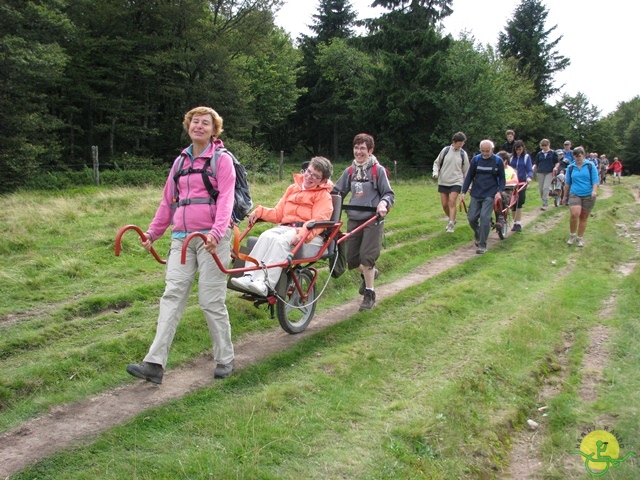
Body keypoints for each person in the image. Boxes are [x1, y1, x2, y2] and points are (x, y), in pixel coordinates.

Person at [126, 106, 236, 384]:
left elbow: (226, 200)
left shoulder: (221, 160)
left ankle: (225, 358)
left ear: (214, 130)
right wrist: (153, 232)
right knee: (172, 296)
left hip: (213, 240)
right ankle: (154, 364)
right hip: (181, 240)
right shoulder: (180, 162)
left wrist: (216, 231)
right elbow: (168, 202)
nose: (199, 126)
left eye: (205, 123)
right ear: (188, 126)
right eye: (195, 122)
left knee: (210, 301)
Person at [230, 156, 334, 296]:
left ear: (323, 180)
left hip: (308, 233)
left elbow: (319, 220)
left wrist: (301, 234)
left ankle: (265, 283)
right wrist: (260, 211)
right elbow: (278, 214)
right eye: (308, 172)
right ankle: (249, 276)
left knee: (281, 241)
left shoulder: (323, 196)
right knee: (266, 236)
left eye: (315, 176)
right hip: (287, 227)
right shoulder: (293, 188)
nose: (309, 177)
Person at [332, 133, 394, 311]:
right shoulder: (350, 171)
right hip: (354, 219)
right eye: (356, 148)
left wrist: (383, 203)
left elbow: (389, 194)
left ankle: (369, 293)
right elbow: (337, 192)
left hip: (372, 220)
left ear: (370, 150)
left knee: (367, 258)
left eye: (362, 148)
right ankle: (372, 274)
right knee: (351, 260)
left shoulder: (377, 170)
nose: (358, 152)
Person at [460, 140, 505, 254]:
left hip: (490, 194)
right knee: (471, 218)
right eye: (483, 151)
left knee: (485, 218)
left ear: (492, 150)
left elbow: (502, 180)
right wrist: (464, 192)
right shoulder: (476, 160)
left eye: (487, 151)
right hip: (476, 193)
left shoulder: (498, 161)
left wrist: (499, 192)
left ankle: (482, 245)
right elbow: (469, 176)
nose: (485, 153)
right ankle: (479, 233)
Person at [432, 131, 470, 232]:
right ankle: (452, 219)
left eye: (462, 143)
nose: (461, 145)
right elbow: (437, 162)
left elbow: (467, 170)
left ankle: (451, 224)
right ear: (454, 142)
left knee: (452, 201)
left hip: (457, 181)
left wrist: (469, 185)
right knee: (445, 205)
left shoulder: (463, 154)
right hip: (444, 181)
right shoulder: (445, 150)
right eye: (459, 143)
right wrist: (435, 173)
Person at [562, 146, 599, 247]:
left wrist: (594, 191)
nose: (578, 158)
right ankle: (572, 235)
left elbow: (595, 180)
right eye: (575, 156)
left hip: (588, 194)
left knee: (583, 217)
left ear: (583, 155)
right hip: (575, 193)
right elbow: (567, 183)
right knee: (575, 214)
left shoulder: (590, 166)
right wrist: (565, 197)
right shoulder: (570, 168)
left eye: (579, 155)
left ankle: (579, 238)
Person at [509, 140, 533, 232]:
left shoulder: (526, 157)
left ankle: (518, 223)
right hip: (512, 183)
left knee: (520, 201)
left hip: (522, 182)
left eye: (520, 149)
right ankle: (515, 223)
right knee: (513, 203)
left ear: (523, 148)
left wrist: (529, 177)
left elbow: (529, 169)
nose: (518, 151)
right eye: (517, 149)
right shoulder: (511, 158)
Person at [533, 138, 558, 210]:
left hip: (549, 172)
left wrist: (555, 168)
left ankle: (545, 202)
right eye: (542, 146)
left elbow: (557, 162)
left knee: (545, 187)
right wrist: (533, 167)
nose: (544, 147)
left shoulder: (553, 153)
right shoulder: (539, 154)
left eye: (545, 145)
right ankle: (543, 199)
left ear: (548, 145)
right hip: (540, 172)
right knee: (541, 188)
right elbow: (536, 163)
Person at [495, 151, 518, 228]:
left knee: (502, 195)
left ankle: (501, 216)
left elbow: (515, 181)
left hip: (507, 190)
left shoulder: (511, 170)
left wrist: (503, 182)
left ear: (505, 160)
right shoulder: (494, 169)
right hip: (494, 189)